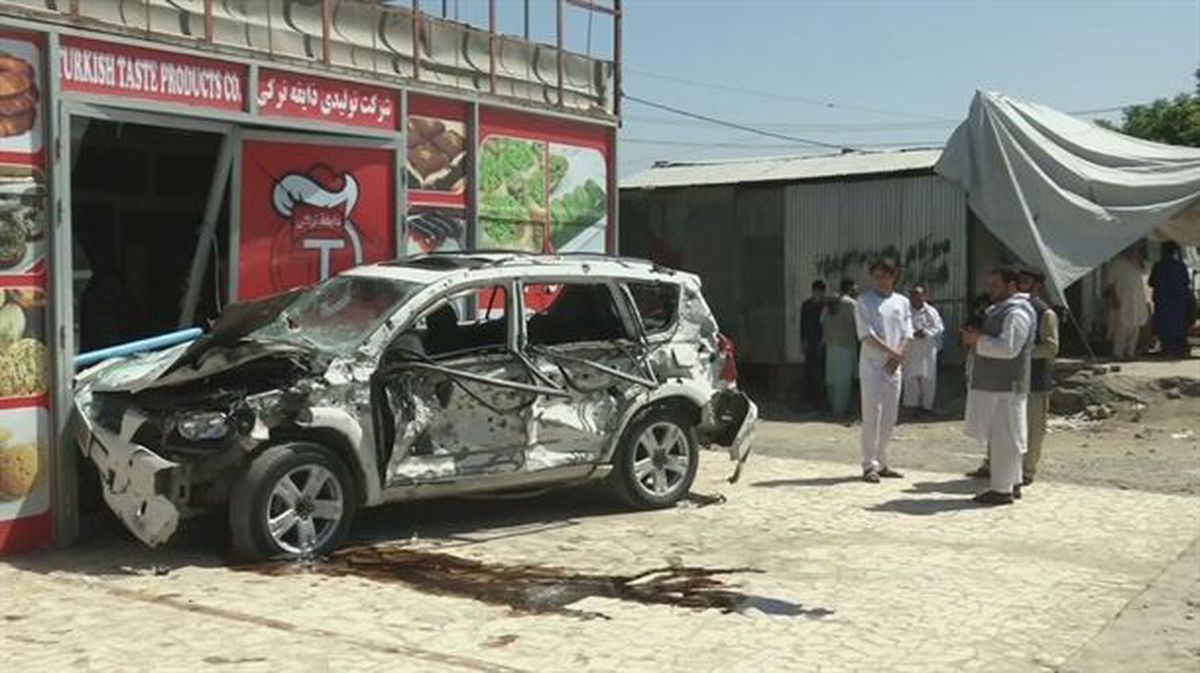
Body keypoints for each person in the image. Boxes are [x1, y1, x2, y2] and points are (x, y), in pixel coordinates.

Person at [966, 268, 1059, 484]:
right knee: (1002, 433)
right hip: (1002, 382)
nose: (1023, 285)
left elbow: (1043, 347)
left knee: (1021, 432)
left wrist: (980, 341)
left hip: (1027, 380)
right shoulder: (998, 309)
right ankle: (1002, 475)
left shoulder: (1035, 312)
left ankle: (1021, 476)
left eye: (1027, 282)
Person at [962, 267, 1037, 505]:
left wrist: (978, 340)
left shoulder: (1017, 313)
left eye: (995, 285)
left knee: (1005, 438)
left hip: (1005, 386)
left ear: (1011, 286)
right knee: (1005, 437)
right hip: (998, 386)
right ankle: (1011, 482)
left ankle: (1002, 489)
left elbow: (1008, 348)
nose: (990, 290)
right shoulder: (1003, 310)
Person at [855, 259, 912, 483]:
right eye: (876, 276)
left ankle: (883, 461)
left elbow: (906, 332)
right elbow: (867, 335)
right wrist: (893, 353)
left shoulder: (902, 302)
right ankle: (869, 464)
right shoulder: (864, 301)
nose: (880, 280)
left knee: (890, 416)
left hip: (894, 367)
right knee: (872, 415)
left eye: (885, 276)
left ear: (893, 276)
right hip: (873, 366)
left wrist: (898, 355)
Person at [902, 285, 944, 417]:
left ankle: (927, 407)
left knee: (928, 378)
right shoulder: (905, 311)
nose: (917, 297)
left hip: (927, 349)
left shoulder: (931, 311)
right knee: (910, 378)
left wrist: (926, 332)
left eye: (919, 295)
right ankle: (911, 407)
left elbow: (939, 327)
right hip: (911, 348)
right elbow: (900, 326)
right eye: (914, 295)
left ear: (924, 296)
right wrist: (912, 333)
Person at [1105, 245, 1150, 360]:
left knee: (1136, 326)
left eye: (1138, 250)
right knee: (1122, 326)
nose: (1136, 252)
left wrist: (1140, 261)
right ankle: (1118, 353)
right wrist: (1114, 298)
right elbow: (1110, 284)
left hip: (1138, 301)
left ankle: (1130, 352)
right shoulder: (1117, 263)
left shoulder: (1141, 265)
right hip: (1123, 299)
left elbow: (1146, 279)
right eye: (1134, 250)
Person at [1150, 241, 1192, 359]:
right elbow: (1186, 283)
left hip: (1163, 301)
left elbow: (1151, 282)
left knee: (1164, 327)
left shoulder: (1158, 266)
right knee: (1178, 327)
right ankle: (1179, 350)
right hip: (1178, 302)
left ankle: (1167, 350)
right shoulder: (1180, 266)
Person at [823, 279, 859, 419]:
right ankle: (839, 411)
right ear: (850, 288)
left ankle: (832, 407)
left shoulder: (831, 302)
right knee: (843, 381)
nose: (857, 291)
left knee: (832, 379)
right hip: (846, 345)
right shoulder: (851, 304)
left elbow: (822, 321)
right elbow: (859, 325)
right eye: (855, 288)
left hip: (831, 345)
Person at [801, 280, 828, 406]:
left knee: (822, 369)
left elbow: (827, 325)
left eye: (820, 292)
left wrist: (823, 340)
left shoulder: (825, 306)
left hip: (822, 341)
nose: (817, 294)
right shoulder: (806, 305)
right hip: (810, 340)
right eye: (815, 291)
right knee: (809, 368)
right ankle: (808, 396)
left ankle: (821, 397)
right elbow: (802, 325)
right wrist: (802, 341)